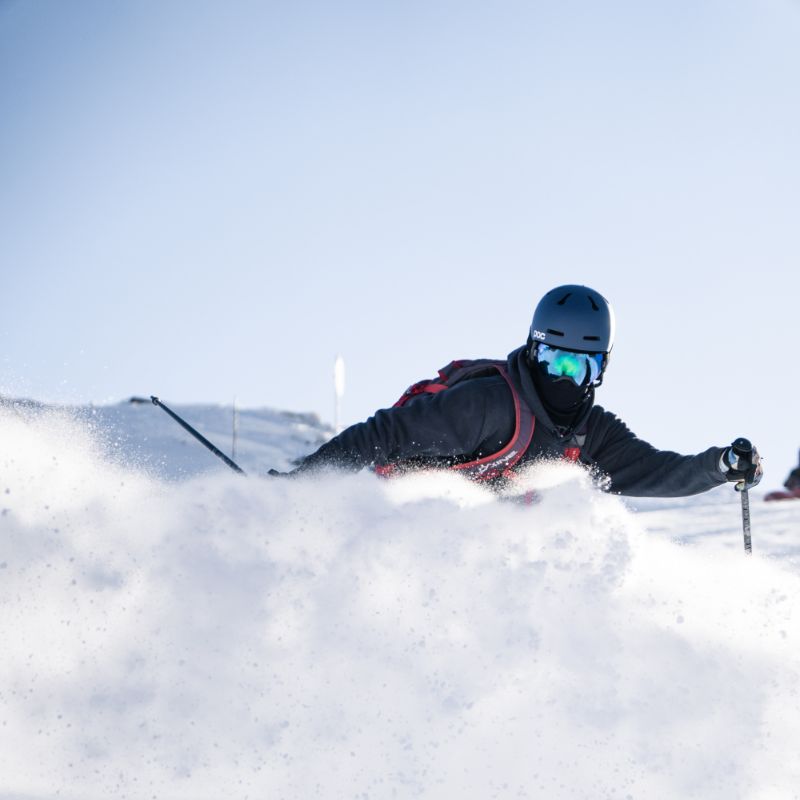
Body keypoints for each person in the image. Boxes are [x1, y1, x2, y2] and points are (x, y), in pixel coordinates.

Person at [280, 284, 762, 497]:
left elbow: (658, 472)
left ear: (601, 369)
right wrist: (302, 484)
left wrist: (719, 466)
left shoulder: (591, 435)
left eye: (579, 365)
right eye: (554, 359)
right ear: (533, 350)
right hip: (388, 522)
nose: (562, 376)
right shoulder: (487, 405)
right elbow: (382, 433)